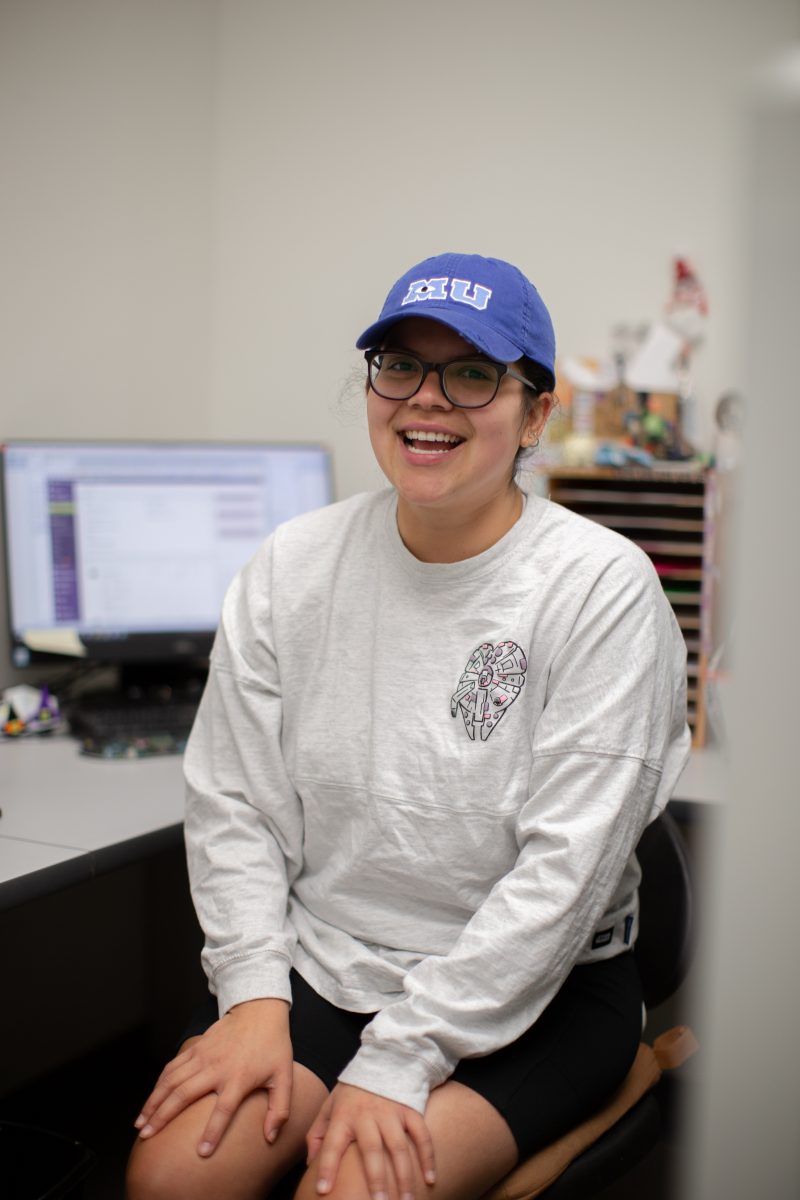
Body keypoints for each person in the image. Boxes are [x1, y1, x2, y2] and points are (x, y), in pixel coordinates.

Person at [126, 252, 691, 1200]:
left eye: (471, 373)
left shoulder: (600, 589)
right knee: (171, 1180)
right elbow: (234, 803)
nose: (427, 399)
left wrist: (401, 1058)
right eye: (400, 366)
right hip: (328, 962)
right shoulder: (292, 565)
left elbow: (562, 878)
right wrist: (254, 994)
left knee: (348, 1191)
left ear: (535, 415)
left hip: (537, 988)